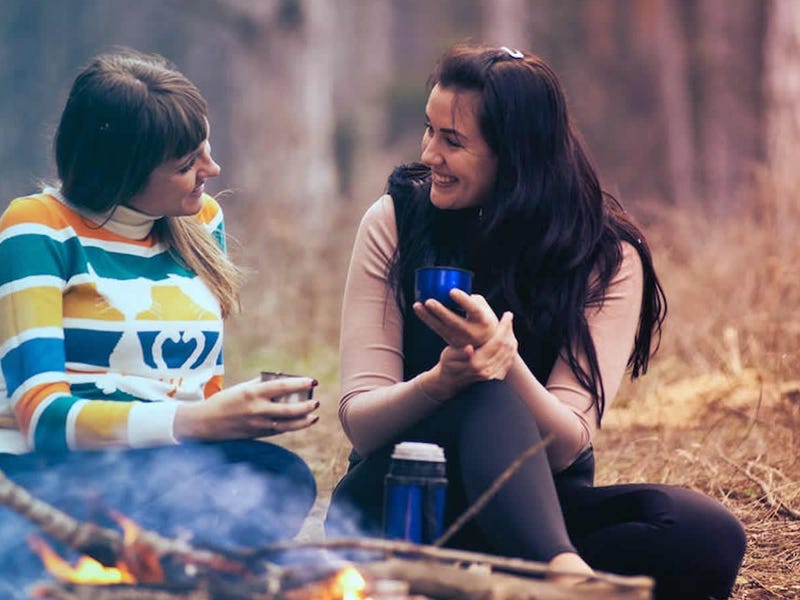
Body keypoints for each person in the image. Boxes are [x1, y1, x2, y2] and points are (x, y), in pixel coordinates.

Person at [325, 43, 746, 599]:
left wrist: (509, 365)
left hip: (533, 511)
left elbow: (568, 443)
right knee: (478, 388)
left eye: (453, 141)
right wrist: (444, 381)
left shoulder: (605, 255)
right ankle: (563, 579)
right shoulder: (396, 222)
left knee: (706, 533)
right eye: (429, 130)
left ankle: (523, 574)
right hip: (399, 504)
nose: (429, 154)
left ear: (517, 155)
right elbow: (362, 420)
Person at [0, 49, 319, 594]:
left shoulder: (199, 222)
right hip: (52, 476)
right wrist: (195, 423)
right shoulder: (38, 228)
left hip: (165, 470)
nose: (211, 172)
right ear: (119, 172)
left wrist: (232, 417)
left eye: (206, 149)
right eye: (185, 164)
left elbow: (203, 385)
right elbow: (45, 420)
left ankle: (144, 572)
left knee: (279, 478)